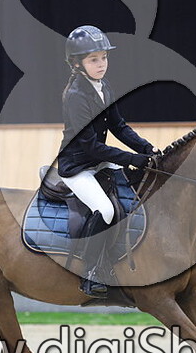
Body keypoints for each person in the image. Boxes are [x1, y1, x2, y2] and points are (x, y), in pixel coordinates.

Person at [56, 25, 158, 298]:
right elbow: (91, 146)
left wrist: (147, 149)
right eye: (93, 59)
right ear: (77, 64)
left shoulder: (104, 86)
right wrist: (134, 158)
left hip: (97, 162)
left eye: (104, 57)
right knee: (106, 210)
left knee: (132, 193)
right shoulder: (75, 96)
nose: (101, 64)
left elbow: (119, 126)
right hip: (77, 167)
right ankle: (90, 273)